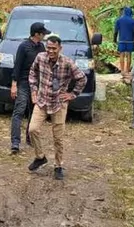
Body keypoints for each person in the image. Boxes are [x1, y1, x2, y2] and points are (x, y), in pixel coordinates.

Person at [27, 34, 87, 180]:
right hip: (42, 100)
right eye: (48, 48)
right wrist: (34, 90)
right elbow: (32, 73)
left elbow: (82, 78)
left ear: (60, 48)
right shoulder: (40, 58)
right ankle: (40, 156)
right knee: (32, 129)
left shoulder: (67, 63)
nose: (51, 51)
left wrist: (72, 95)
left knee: (58, 137)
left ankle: (58, 165)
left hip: (59, 103)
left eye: (54, 48)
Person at [10, 22, 49, 154]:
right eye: (43, 33)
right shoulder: (23, 47)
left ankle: (29, 137)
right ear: (36, 34)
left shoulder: (41, 47)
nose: (44, 36)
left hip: (37, 84)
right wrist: (14, 84)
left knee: (33, 111)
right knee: (19, 110)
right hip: (23, 82)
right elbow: (17, 66)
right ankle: (15, 142)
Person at [113, 7, 134, 77]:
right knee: (129, 55)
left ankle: (122, 71)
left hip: (121, 40)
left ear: (124, 12)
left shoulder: (119, 20)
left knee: (122, 55)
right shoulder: (133, 21)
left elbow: (115, 31)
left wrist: (114, 40)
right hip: (130, 41)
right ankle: (127, 71)